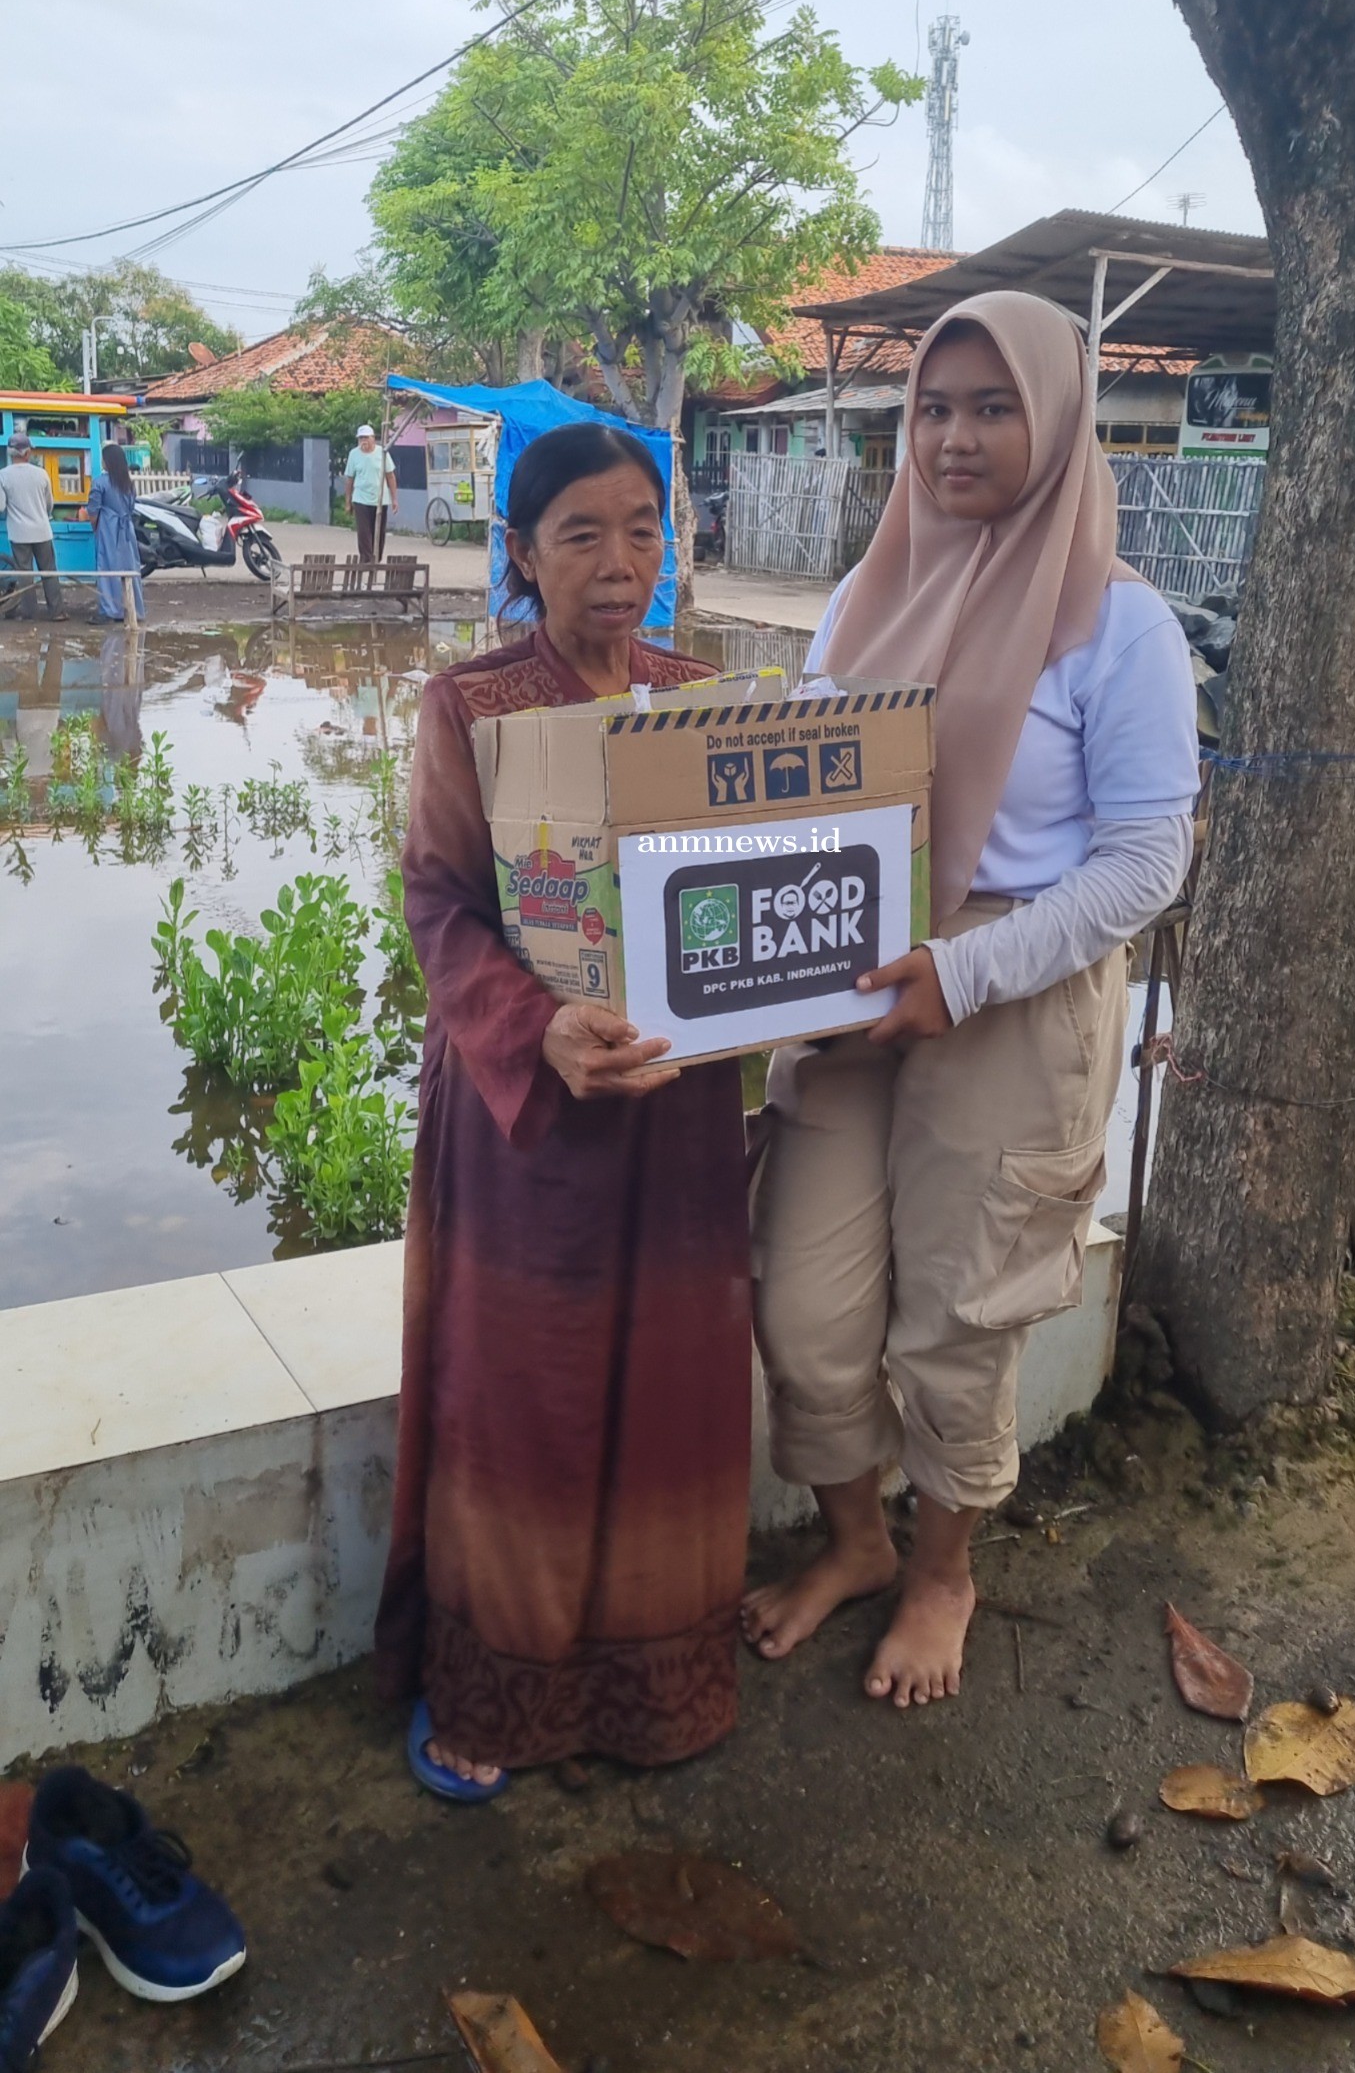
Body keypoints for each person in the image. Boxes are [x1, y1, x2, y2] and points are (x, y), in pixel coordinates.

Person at [742, 290, 1199, 1710]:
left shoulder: (1118, 627)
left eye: (991, 405)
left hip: (1014, 984)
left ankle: (941, 1568)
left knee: (957, 1309)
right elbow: (808, 780)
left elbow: (1145, 862)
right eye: (930, 407)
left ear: (1056, 419)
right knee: (804, 1304)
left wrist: (963, 969)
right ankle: (855, 1540)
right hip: (857, 969)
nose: (952, 436)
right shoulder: (865, 591)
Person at [375, 422, 752, 1797]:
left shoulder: (701, 696)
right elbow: (437, 902)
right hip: (528, 1111)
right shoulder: (468, 706)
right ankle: (500, 1691)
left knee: (673, 1387)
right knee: (517, 1394)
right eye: (581, 532)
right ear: (520, 553)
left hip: (679, 1107)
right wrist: (541, 1027)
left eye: (643, 528)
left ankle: (660, 1684)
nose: (618, 562)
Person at [0, 433, 62, 620]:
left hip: (19, 534)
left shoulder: (2, 475)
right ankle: (57, 612)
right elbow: (49, 504)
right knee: (48, 571)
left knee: (24, 573)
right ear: (27, 453)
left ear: (11, 454)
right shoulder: (41, 474)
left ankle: (29, 613)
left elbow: (1, 506)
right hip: (42, 530)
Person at [87, 443, 146, 625]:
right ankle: (132, 608)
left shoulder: (99, 483)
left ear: (108, 462)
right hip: (126, 530)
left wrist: (96, 528)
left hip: (108, 528)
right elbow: (132, 506)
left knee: (107, 568)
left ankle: (109, 610)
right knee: (129, 568)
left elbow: (93, 512)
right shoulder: (128, 483)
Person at [344, 424, 398, 563]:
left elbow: (390, 476)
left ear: (373, 438)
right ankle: (366, 559)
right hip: (361, 498)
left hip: (380, 499)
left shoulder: (383, 453)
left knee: (378, 532)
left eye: (366, 438)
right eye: (361, 438)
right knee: (363, 532)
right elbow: (350, 479)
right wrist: (348, 502)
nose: (364, 441)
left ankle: (376, 558)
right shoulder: (354, 454)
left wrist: (394, 499)